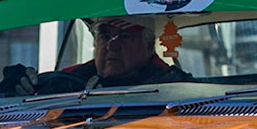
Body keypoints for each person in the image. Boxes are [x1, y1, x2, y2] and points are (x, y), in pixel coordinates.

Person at [59, 15, 190, 88]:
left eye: (124, 36)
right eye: (105, 37)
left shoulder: (173, 85)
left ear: (149, 46)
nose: (111, 46)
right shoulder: (69, 79)